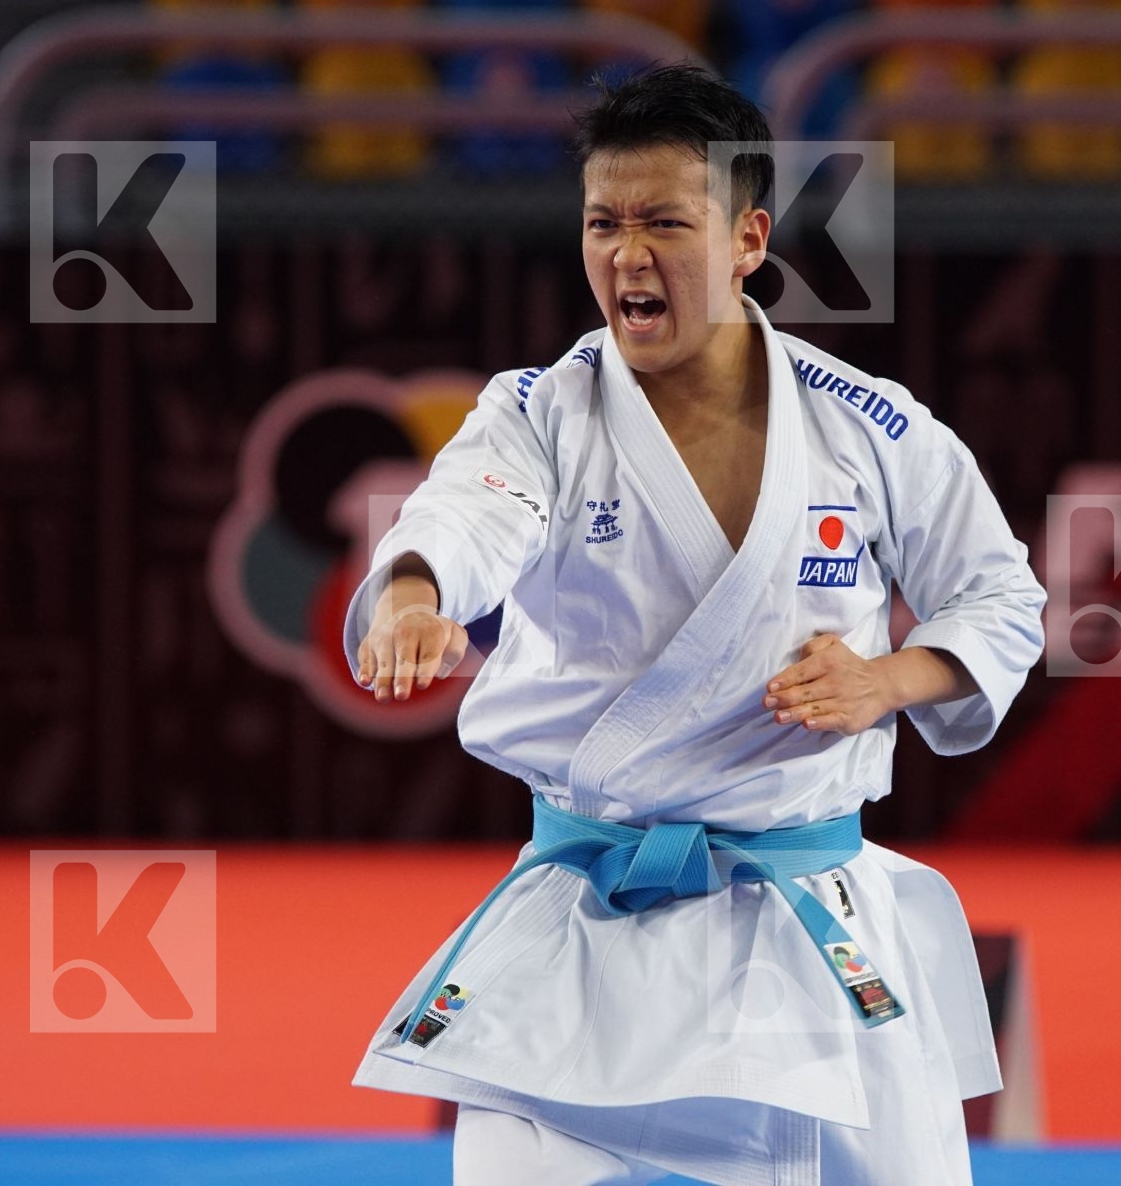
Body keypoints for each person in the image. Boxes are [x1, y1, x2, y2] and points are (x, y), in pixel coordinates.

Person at [344, 61, 1046, 1186]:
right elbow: (461, 521)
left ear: (746, 239)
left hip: (809, 923)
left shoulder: (867, 425)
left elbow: (1002, 597)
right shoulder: (537, 413)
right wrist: (418, 596)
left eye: (664, 221)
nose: (627, 254)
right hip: (586, 926)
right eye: (602, 223)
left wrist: (890, 680)